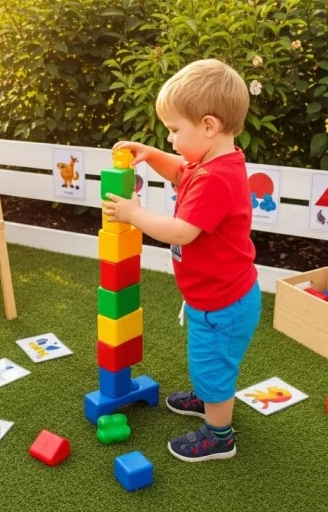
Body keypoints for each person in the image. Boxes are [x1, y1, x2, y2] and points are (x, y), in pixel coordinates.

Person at [102, 58, 262, 462]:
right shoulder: (208, 163)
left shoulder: (215, 179)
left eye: (174, 130)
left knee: (214, 369)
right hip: (212, 296)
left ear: (208, 126)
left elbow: (180, 231)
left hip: (223, 304)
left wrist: (134, 214)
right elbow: (179, 171)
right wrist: (152, 154)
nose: (170, 139)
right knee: (206, 360)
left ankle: (220, 436)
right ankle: (206, 397)